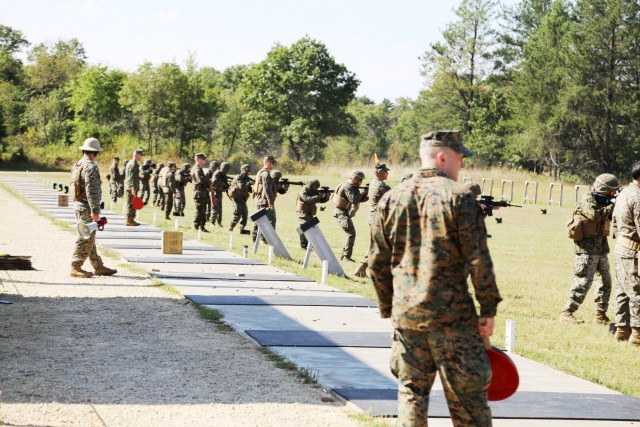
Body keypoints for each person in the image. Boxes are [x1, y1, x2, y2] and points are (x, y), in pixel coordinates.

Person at [369, 130, 501, 426]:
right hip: (453, 320)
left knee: (411, 394)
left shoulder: (391, 198)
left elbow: (377, 263)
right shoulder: (460, 198)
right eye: (460, 158)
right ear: (443, 157)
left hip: (408, 318)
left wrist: (390, 307)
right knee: (468, 401)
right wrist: (488, 308)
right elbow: (479, 260)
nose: (462, 166)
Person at [560, 173, 619, 324]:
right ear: (603, 189)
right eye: (611, 191)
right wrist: (613, 205)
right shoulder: (588, 198)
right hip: (587, 249)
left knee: (605, 282)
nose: (613, 194)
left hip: (601, 248)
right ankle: (567, 312)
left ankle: (600, 314)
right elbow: (594, 215)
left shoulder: (605, 201)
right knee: (583, 281)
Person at [69, 137, 117, 278]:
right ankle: (75, 267)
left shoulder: (78, 164)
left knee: (89, 237)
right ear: (95, 152)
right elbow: (92, 191)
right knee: (85, 238)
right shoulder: (90, 167)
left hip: (78, 204)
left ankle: (98, 265)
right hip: (86, 207)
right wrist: (95, 210)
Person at [612, 162, 640, 345]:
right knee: (636, 291)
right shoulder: (638, 197)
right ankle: (637, 335)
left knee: (622, 290)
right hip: (633, 250)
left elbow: (614, 223)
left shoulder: (624, 193)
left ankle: (622, 329)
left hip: (621, 247)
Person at [354, 163, 390, 277]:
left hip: (373, 215)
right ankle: (362, 266)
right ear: (380, 173)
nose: (387, 173)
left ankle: (366, 267)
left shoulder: (374, 183)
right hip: (378, 217)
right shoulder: (381, 185)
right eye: (386, 172)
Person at [332, 170, 369, 261]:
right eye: (360, 180)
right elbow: (355, 200)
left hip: (342, 212)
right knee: (351, 233)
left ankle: (344, 255)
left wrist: (366, 194)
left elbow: (359, 199)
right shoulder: (348, 186)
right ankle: (346, 257)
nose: (361, 182)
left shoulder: (350, 185)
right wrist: (363, 192)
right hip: (340, 212)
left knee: (350, 233)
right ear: (355, 179)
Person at [296, 179, 330, 249]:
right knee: (305, 227)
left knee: (309, 227)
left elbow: (320, 200)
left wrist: (326, 196)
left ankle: (308, 244)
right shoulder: (303, 192)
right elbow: (308, 199)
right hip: (302, 212)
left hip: (310, 212)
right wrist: (319, 195)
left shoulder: (314, 192)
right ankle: (304, 245)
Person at [251, 155, 277, 241]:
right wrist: (271, 202)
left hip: (259, 200)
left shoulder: (260, 172)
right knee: (271, 220)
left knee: (259, 219)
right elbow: (267, 189)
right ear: (268, 163)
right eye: (273, 163)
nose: (273, 165)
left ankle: (254, 237)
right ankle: (268, 239)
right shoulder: (266, 174)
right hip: (264, 201)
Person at [228, 163, 253, 235]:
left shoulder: (246, 178)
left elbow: (249, 189)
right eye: (248, 171)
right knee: (237, 214)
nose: (249, 172)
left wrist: (253, 185)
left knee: (245, 214)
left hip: (243, 199)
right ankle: (231, 227)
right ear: (244, 171)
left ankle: (241, 229)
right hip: (236, 198)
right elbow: (241, 186)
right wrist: (249, 183)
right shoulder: (238, 177)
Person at [191, 153, 211, 232]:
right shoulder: (197, 169)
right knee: (199, 210)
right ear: (199, 160)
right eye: (203, 159)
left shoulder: (198, 168)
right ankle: (196, 225)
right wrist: (208, 177)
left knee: (203, 210)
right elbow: (201, 180)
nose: (204, 161)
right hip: (199, 192)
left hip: (202, 192)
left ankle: (201, 226)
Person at [124, 149, 142, 226]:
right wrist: (133, 188)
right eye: (140, 155)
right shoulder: (133, 164)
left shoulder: (131, 163)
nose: (141, 157)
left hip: (130, 187)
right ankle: (129, 220)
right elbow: (132, 178)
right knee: (131, 204)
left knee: (131, 203)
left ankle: (131, 219)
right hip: (131, 187)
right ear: (137, 155)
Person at [211, 162, 230, 226]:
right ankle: (212, 221)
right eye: (226, 168)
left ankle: (219, 222)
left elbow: (225, 183)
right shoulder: (218, 173)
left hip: (219, 192)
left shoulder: (223, 174)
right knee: (215, 207)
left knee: (219, 208)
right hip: (215, 192)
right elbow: (214, 181)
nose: (227, 170)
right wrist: (223, 184)